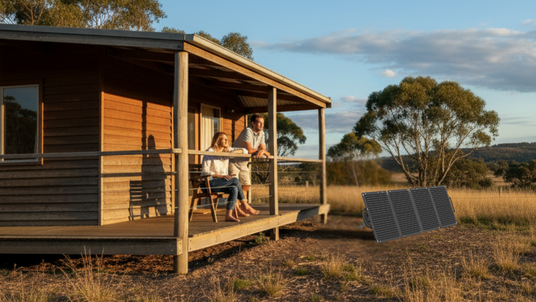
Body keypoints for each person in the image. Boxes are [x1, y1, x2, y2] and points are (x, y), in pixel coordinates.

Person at [201, 132, 249, 222]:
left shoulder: (226, 151)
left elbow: (245, 150)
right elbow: (205, 171)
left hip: (221, 182)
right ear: (217, 140)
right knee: (235, 180)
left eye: (227, 138)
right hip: (209, 182)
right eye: (224, 139)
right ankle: (244, 204)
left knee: (234, 188)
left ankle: (228, 215)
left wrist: (233, 152)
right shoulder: (210, 152)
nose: (226, 140)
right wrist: (220, 176)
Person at [230, 114, 270, 215]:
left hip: (244, 163)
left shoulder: (262, 133)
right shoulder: (248, 131)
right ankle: (236, 210)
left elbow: (263, 147)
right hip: (233, 161)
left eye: (263, 123)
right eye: (259, 123)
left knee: (246, 185)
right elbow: (249, 149)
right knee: (234, 186)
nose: (261, 125)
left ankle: (241, 207)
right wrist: (261, 151)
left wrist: (263, 151)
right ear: (253, 123)